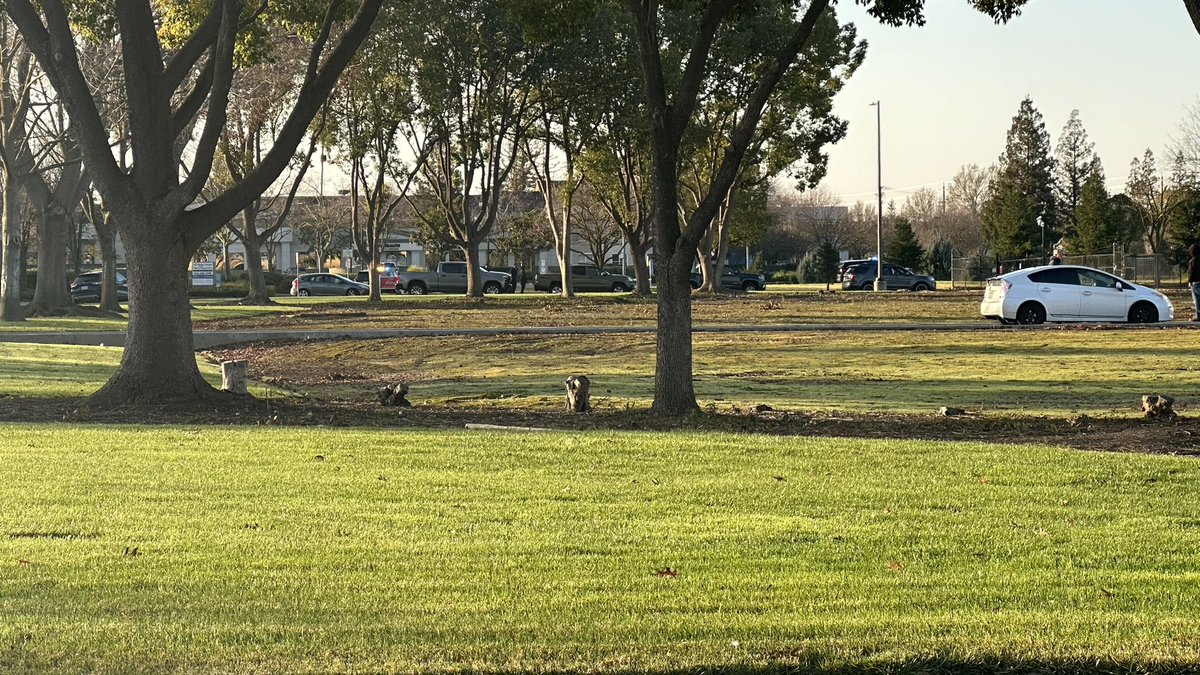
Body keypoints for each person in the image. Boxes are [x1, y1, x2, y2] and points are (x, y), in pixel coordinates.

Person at [1189, 244, 1200, 321]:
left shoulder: (1193, 261)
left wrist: (1190, 281)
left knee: (1197, 300)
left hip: (1196, 283)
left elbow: (1191, 272)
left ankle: (1198, 316)